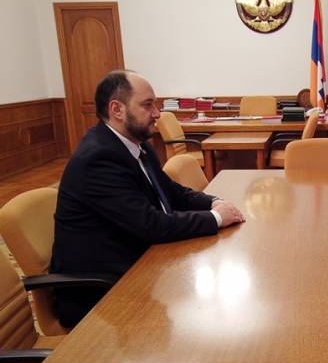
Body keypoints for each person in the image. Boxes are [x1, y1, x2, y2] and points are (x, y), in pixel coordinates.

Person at [50, 70, 245, 327]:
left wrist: (213, 202)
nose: (157, 114)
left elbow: (171, 192)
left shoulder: (137, 145)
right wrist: (217, 218)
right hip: (101, 295)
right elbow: (150, 225)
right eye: (147, 105)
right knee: (204, 318)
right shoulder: (97, 160)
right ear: (117, 110)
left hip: (141, 265)